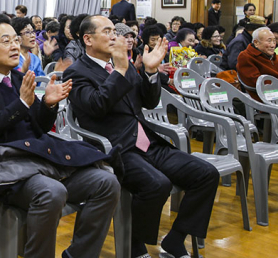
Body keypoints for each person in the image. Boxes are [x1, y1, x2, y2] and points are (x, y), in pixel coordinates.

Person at [0, 14, 121, 258]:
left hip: (40, 161)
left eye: (15, 39)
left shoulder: (21, 79)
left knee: (107, 182)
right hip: (8, 170)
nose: (15, 46)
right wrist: (22, 104)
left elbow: (39, 129)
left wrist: (48, 105)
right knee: (52, 192)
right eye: (6, 41)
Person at [64, 15, 219, 258]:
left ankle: (175, 239)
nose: (114, 36)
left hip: (146, 141)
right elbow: (96, 106)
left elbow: (148, 101)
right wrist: (121, 69)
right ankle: (134, 245)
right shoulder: (76, 72)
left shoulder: (120, 63)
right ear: (88, 39)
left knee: (206, 174)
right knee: (157, 184)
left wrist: (150, 70)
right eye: (107, 31)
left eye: (115, 31)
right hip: (115, 149)